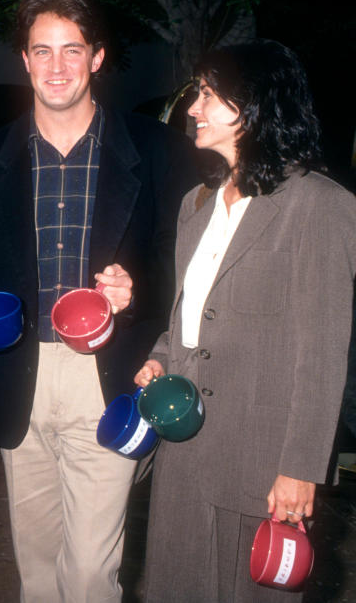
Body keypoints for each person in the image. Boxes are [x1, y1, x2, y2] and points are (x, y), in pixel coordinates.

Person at [0, 0, 198, 603]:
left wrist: (138, 289)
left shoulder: (158, 150)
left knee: (90, 573)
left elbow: (187, 260)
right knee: (36, 569)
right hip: (21, 374)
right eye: (42, 51)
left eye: (72, 50)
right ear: (24, 60)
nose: (56, 66)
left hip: (107, 374)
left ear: (97, 58)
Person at [133, 40, 356, 602]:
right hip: (183, 451)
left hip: (262, 466)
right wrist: (161, 356)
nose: (193, 108)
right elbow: (189, 315)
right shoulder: (196, 205)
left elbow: (323, 353)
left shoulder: (320, 206)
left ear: (254, 104)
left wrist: (300, 469)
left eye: (208, 94)